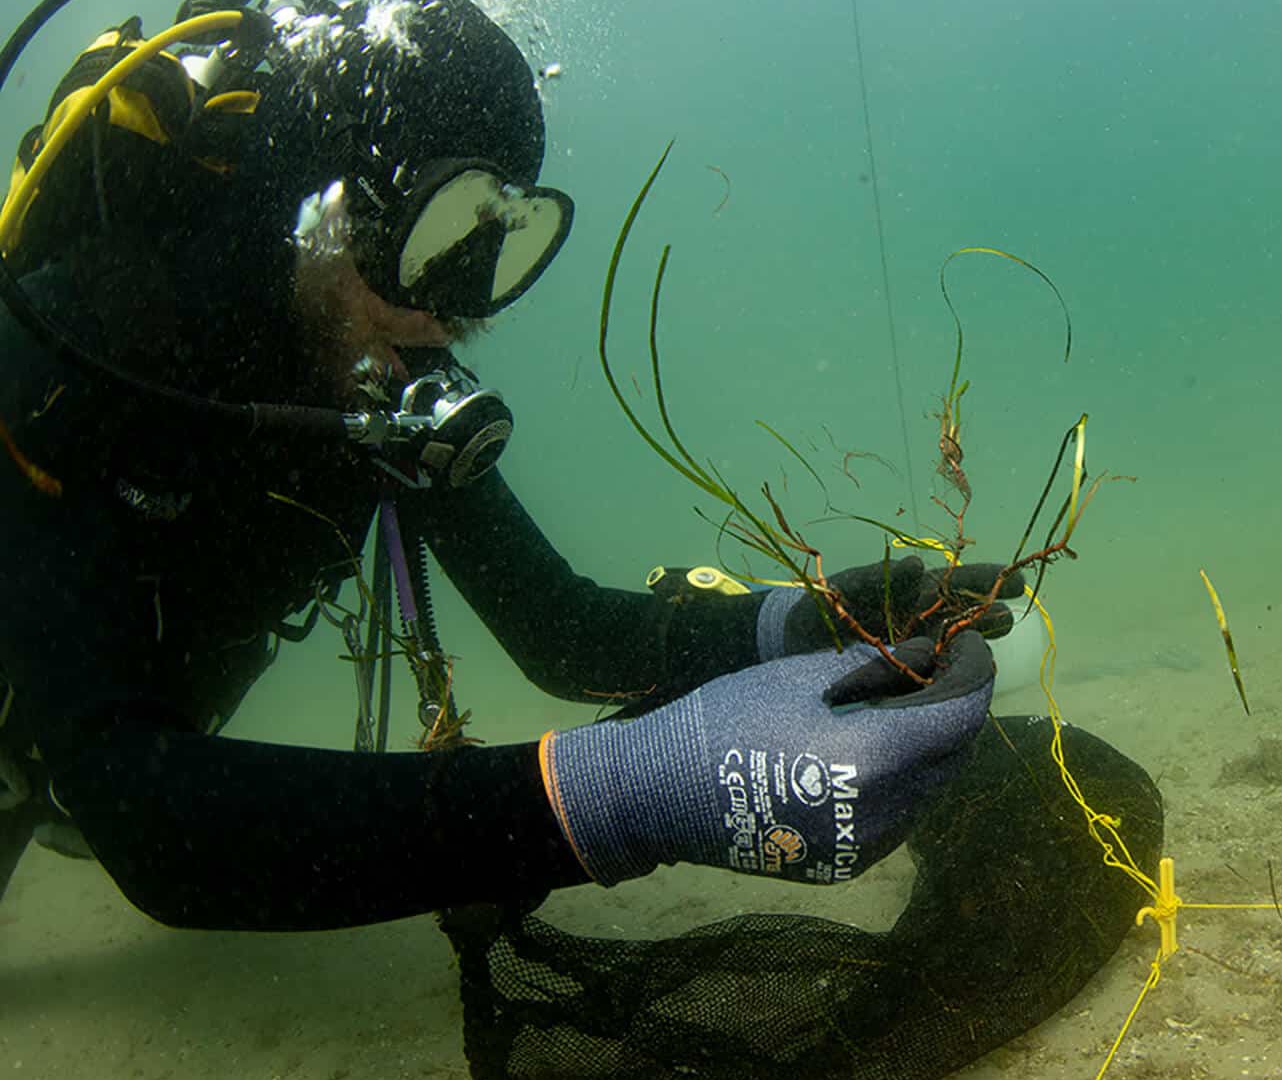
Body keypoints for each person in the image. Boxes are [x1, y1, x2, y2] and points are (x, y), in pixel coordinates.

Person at [0, 0, 1018, 930]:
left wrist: (801, 622)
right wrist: (622, 795)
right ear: (321, 198)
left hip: (151, 722)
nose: (454, 312)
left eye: (499, 247)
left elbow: (558, 630)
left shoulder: (380, 381)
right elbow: (145, 821)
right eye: (435, 237)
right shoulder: (71, 346)